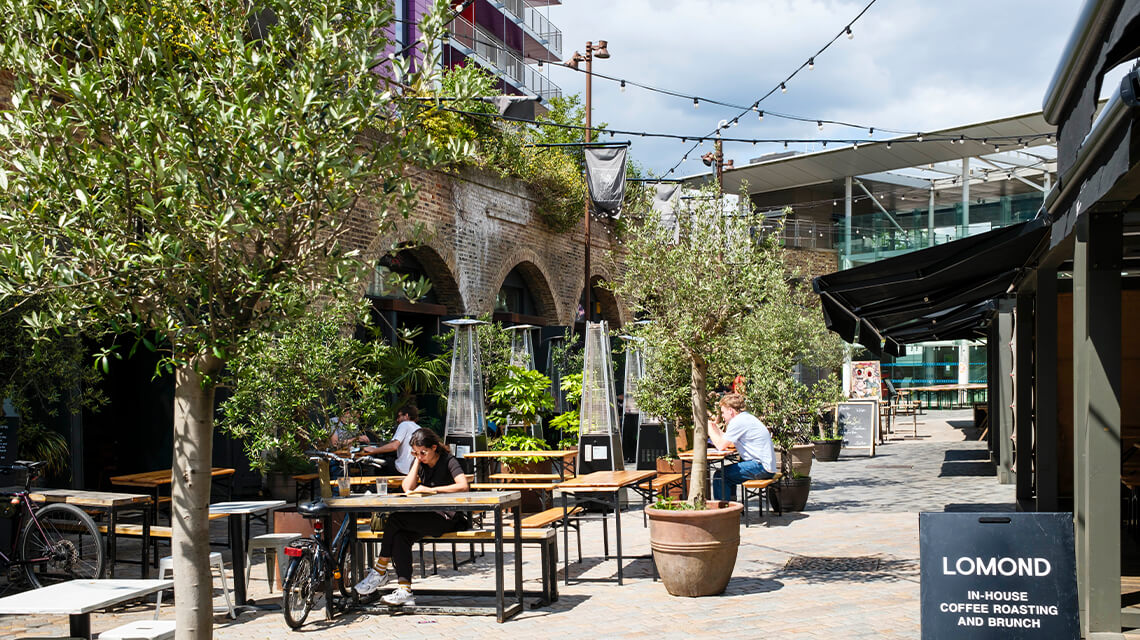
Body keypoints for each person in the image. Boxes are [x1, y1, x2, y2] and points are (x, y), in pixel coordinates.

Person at [353, 428, 470, 605]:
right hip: (428, 515)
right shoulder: (420, 462)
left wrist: (433, 490)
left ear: (434, 448)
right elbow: (407, 487)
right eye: (416, 452)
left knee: (395, 520)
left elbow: (463, 485)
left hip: (448, 517)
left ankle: (380, 570)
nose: (421, 456)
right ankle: (404, 590)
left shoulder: (448, 460)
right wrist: (416, 461)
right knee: (400, 536)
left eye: (423, 452)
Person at [706, 392, 775, 502]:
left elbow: (720, 445)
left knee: (721, 475)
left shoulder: (738, 422)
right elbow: (728, 441)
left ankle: (724, 509)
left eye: (723, 412)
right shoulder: (746, 417)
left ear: (731, 410)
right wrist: (715, 428)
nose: (722, 416)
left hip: (761, 467)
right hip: (765, 465)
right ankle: (732, 506)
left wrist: (708, 429)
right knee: (727, 473)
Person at [359, 405, 420, 476]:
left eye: (399, 416)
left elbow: (394, 446)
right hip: (414, 470)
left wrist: (373, 450)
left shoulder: (404, 424)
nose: (397, 420)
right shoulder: (418, 428)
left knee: (376, 466)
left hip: (402, 469)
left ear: (406, 416)